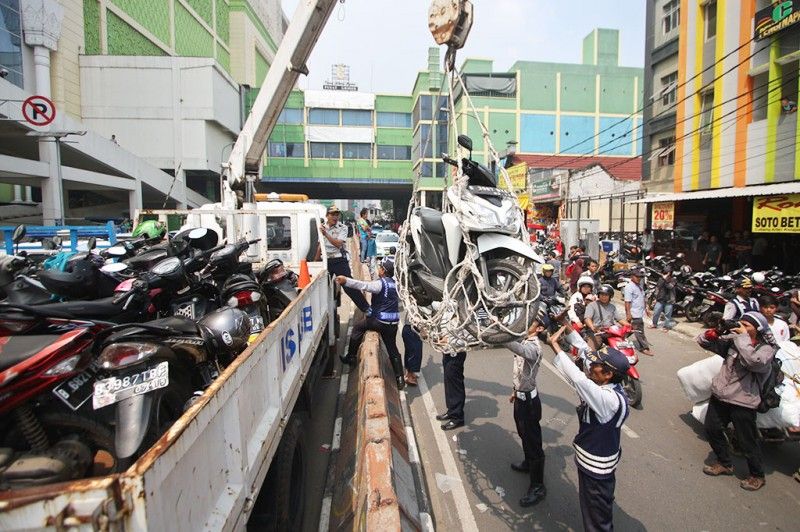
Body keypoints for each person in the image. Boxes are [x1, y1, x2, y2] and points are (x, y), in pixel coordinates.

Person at [549, 324, 630, 531]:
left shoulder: (606, 399)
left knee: (596, 518)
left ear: (608, 374)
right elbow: (586, 353)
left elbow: (578, 379)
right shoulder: (612, 385)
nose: (590, 366)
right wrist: (567, 327)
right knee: (599, 508)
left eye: (596, 365)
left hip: (596, 470)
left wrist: (556, 347)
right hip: (602, 464)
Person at [696, 311, 778, 491]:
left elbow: (753, 362)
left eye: (747, 326)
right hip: (721, 395)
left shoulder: (766, 349)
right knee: (712, 429)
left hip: (743, 401)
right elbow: (703, 342)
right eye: (741, 324)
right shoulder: (734, 341)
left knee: (746, 441)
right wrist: (715, 332)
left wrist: (742, 338)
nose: (742, 328)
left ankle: (757, 475)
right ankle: (724, 462)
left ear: (758, 329)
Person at [337, 258, 405, 389]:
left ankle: (351, 357)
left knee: (358, 327)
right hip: (393, 323)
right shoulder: (395, 285)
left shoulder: (380, 284)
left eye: (380, 267)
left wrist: (346, 280)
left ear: (383, 271)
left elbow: (363, 285)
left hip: (379, 321)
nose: (378, 269)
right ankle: (400, 378)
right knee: (392, 348)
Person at [504, 317, 548, 508]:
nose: (527, 323)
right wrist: (514, 391)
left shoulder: (534, 347)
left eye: (532, 322)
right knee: (523, 434)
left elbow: (519, 350)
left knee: (533, 442)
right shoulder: (524, 340)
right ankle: (528, 463)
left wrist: (498, 337)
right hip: (520, 398)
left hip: (530, 402)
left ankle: (538, 486)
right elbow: (519, 373)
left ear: (539, 328)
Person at [321, 206, 370, 313]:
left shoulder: (342, 227)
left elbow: (339, 244)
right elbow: (319, 246)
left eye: (336, 214)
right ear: (327, 216)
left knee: (348, 284)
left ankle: (366, 308)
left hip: (339, 260)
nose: (335, 217)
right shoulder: (321, 227)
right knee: (320, 287)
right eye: (332, 214)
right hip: (325, 261)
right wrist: (316, 261)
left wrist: (325, 234)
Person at [584, 285, 629, 349]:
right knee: (591, 351)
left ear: (610, 296)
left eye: (606, 295)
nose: (604, 297)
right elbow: (587, 318)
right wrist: (593, 327)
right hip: (596, 332)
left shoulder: (612, 307)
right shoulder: (592, 305)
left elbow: (619, 319)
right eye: (602, 294)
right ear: (598, 295)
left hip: (610, 332)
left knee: (622, 347)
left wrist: (628, 325)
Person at [435, 351, 468, 430]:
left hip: (456, 351)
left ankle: (457, 418)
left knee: (455, 383)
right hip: (448, 351)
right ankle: (451, 411)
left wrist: (449, 340)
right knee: (449, 381)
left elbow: (467, 338)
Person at [624, 268, 653, 356]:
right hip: (634, 313)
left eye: (640, 277)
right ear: (632, 276)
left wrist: (646, 309)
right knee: (639, 331)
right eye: (637, 277)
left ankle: (618, 339)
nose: (639, 278)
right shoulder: (629, 287)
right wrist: (628, 313)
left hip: (639, 312)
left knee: (629, 329)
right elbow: (627, 302)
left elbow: (642, 299)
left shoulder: (639, 286)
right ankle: (644, 348)